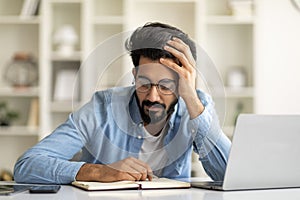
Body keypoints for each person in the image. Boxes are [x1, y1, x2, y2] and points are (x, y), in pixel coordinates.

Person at [14, 22, 231, 184]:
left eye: (166, 86)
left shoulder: (196, 105)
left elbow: (228, 175)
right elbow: (27, 165)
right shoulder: (102, 107)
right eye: (145, 83)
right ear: (135, 75)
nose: (153, 97)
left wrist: (191, 98)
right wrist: (99, 172)